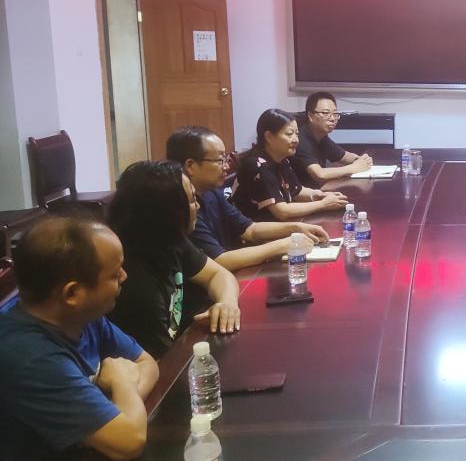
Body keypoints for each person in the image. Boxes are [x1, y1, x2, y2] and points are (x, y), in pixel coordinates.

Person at [0, 217, 158, 460]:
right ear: (72, 293)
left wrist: (119, 411)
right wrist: (122, 383)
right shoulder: (28, 356)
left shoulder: (80, 314)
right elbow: (130, 442)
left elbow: (148, 364)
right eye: (115, 274)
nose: (125, 276)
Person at [107, 161, 241, 358]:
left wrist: (227, 303)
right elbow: (162, 364)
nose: (198, 206)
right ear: (169, 212)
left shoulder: (168, 240)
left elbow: (217, 274)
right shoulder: (134, 281)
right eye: (192, 200)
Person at [167, 126, 330, 271]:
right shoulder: (180, 207)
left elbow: (249, 229)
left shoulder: (211, 192)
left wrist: (296, 228)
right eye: (219, 160)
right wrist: (282, 245)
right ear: (191, 166)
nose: (226, 166)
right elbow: (219, 260)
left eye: (225, 158)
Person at [231, 108, 349, 222]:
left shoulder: (282, 159)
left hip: (277, 226)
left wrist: (320, 195)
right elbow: (282, 212)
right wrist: (323, 204)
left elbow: (297, 191)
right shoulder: (258, 165)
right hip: (255, 231)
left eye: (297, 134)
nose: (296, 139)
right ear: (269, 137)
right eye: (289, 134)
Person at [291, 92, 373, 188]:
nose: (332, 118)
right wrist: (354, 167)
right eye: (325, 113)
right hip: (302, 195)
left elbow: (344, 156)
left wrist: (361, 160)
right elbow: (320, 175)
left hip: (317, 190)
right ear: (310, 116)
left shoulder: (321, 136)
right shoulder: (300, 139)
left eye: (335, 113)